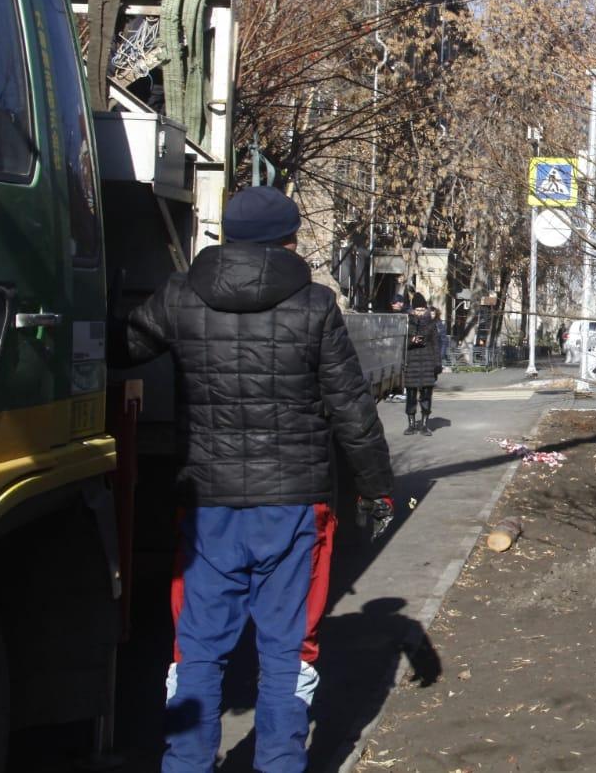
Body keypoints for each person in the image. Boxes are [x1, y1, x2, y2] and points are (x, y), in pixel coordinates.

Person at [124, 186, 394, 773]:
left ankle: (186, 762)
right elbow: (351, 407)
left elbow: (124, 346)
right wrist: (377, 487)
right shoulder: (315, 304)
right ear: (289, 239)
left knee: (196, 649)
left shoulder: (180, 296)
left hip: (206, 506)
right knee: (287, 651)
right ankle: (278, 764)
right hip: (294, 507)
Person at [403, 294, 441, 435]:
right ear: (412, 310)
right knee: (411, 395)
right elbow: (401, 344)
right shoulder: (406, 322)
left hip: (427, 363)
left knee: (426, 395)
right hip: (411, 363)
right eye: (417, 310)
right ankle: (411, 424)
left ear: (426, 309)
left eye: (422, 309)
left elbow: (436, 345)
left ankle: (425, 425)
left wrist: (437, 365)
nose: (419, 312)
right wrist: (411, 341)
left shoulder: (431, 324)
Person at [386, 293, 408, 400]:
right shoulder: (390, 314)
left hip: (403, 346)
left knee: (403, 367)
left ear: (401, 303)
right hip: (393, 346)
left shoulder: (406, 314)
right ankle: (393, 389)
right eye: (393, 303)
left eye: (396, 302)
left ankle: (402, 389)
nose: (393, 305)